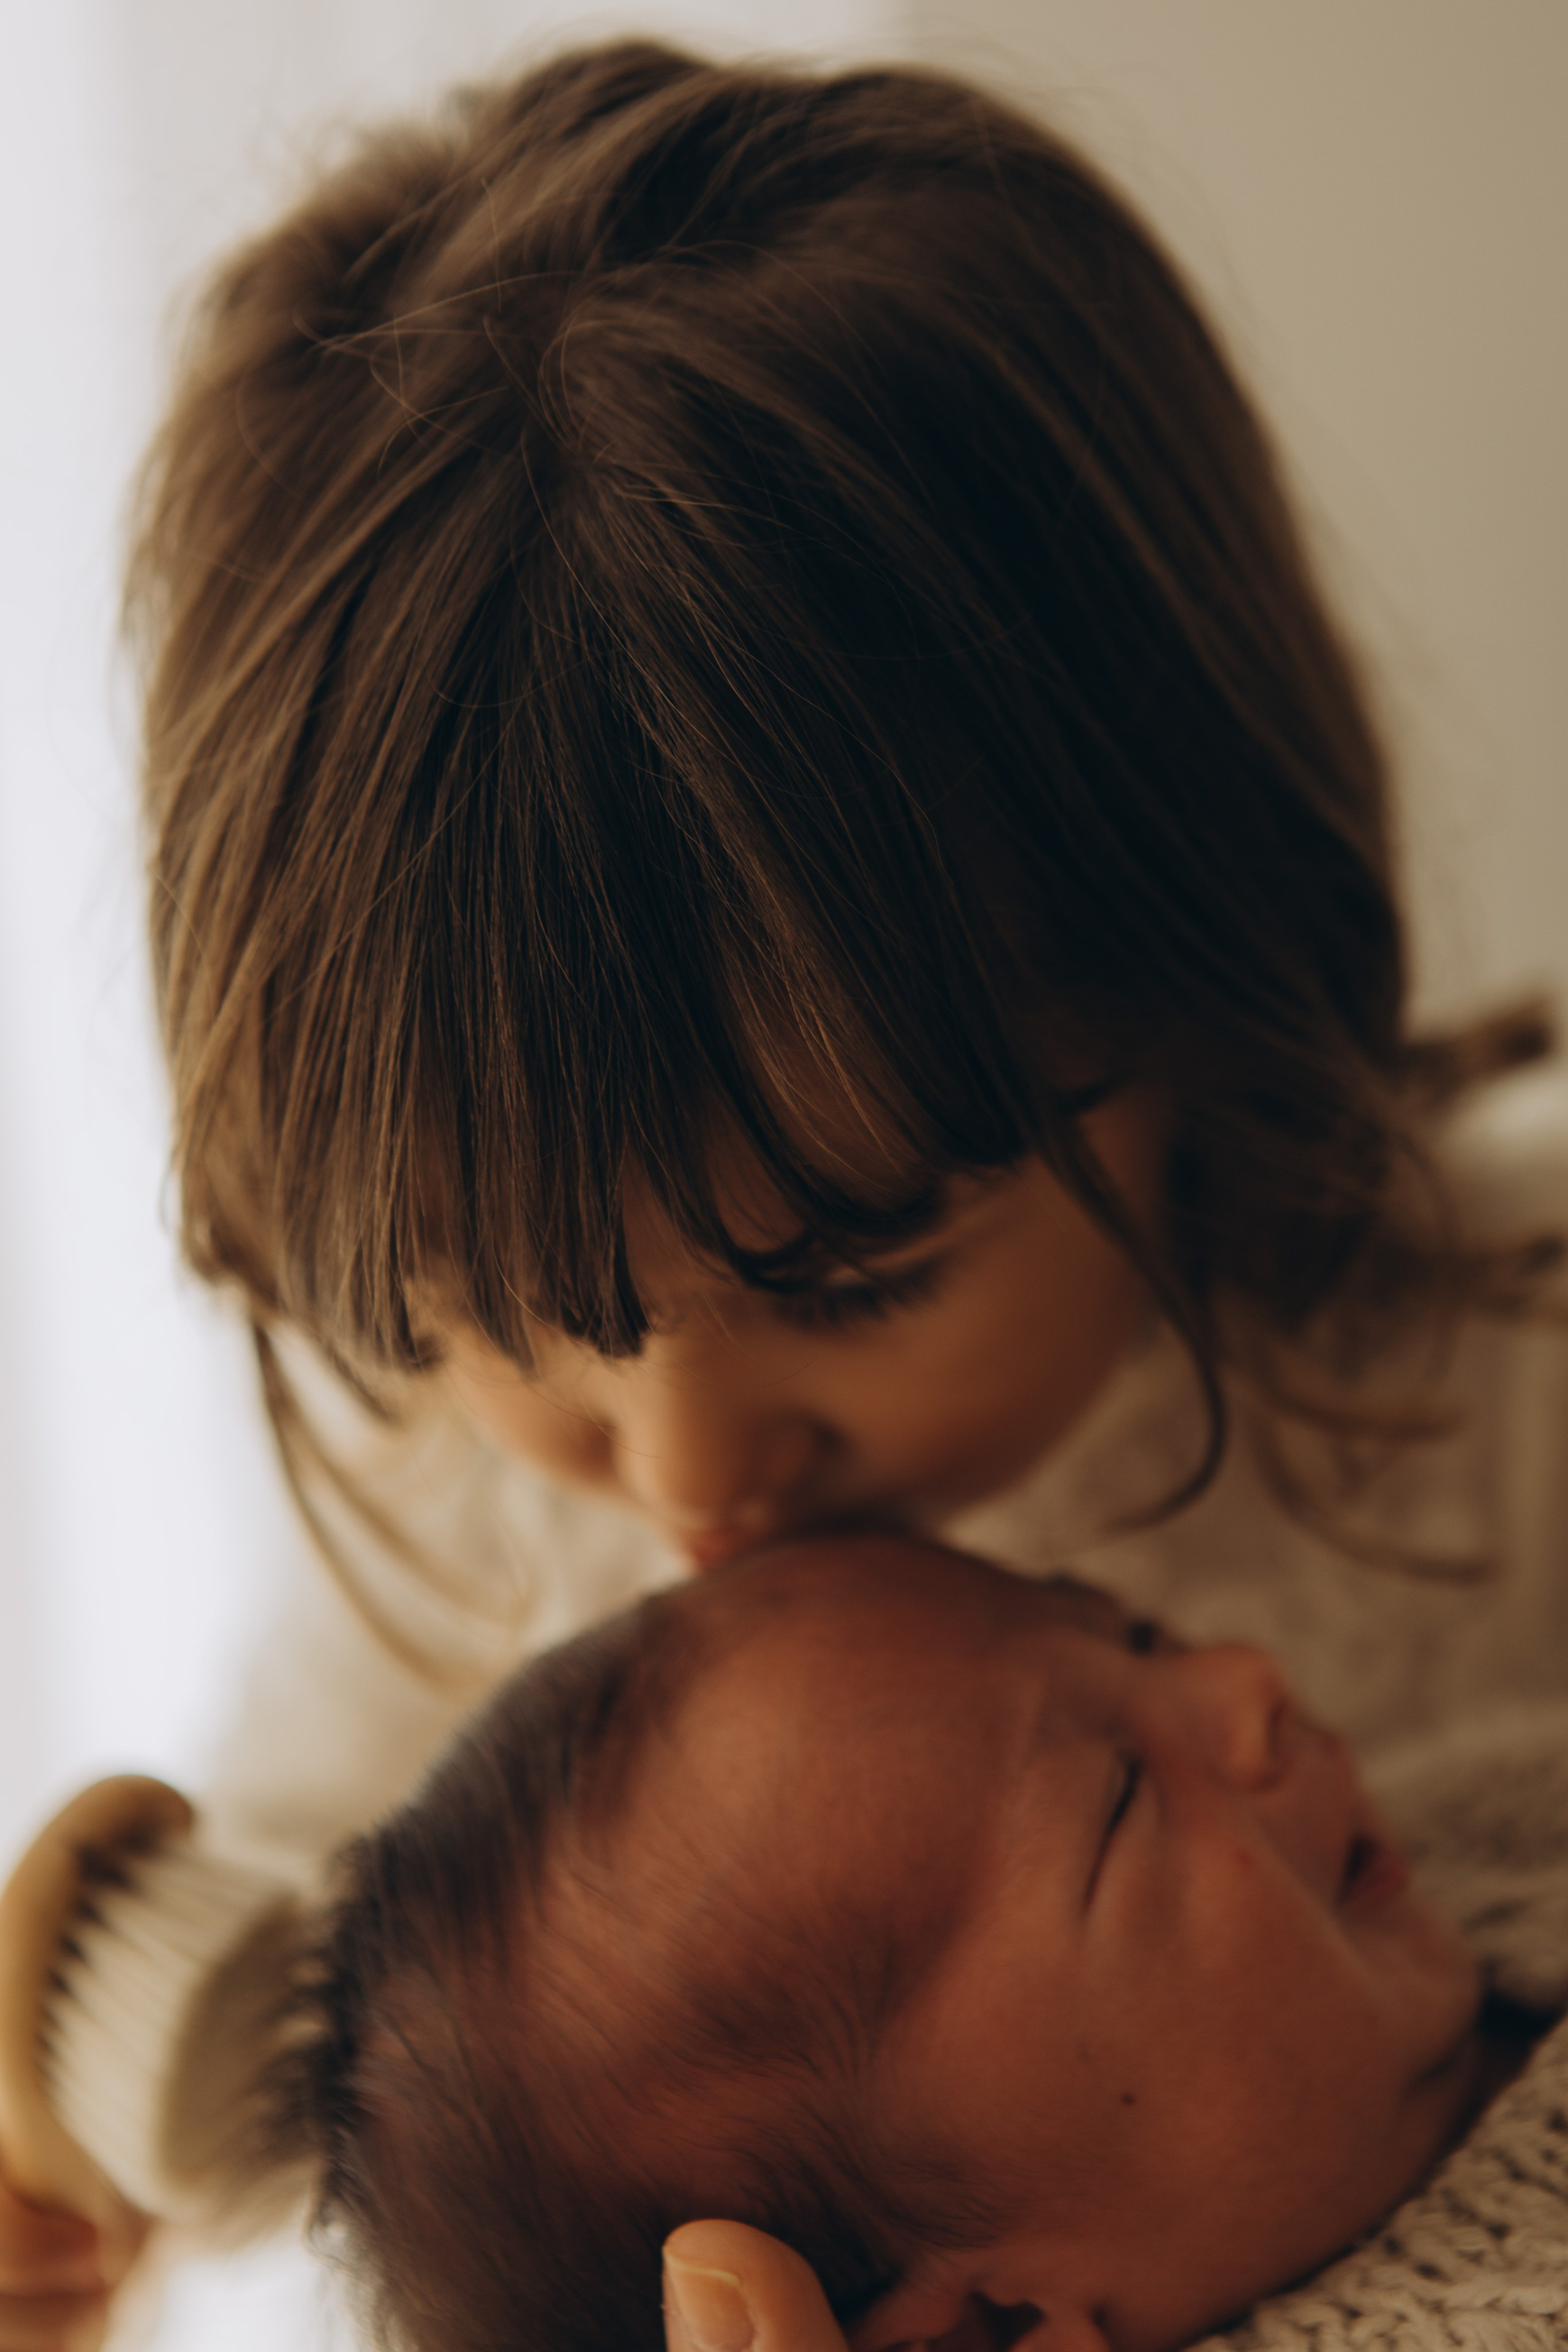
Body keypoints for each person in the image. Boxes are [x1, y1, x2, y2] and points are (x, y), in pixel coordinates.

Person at [3, 34, 1567, 2352]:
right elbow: (295, 2086)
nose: (683, 1470)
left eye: (856, 1274)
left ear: (1205, 970)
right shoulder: (451, 1560)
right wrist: (76, 2183)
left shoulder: (1511, 1382)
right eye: (490, 1306)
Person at [294, 1534, 1541, 2352]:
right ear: (987, 2329)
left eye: (1136, 1635)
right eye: (1115, 1799)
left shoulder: (1472, 1824)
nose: (1245, 1678)